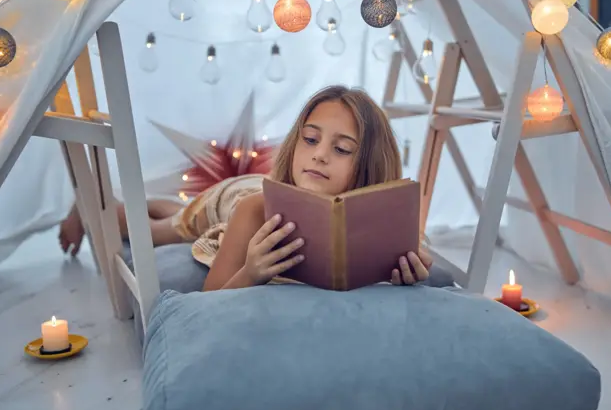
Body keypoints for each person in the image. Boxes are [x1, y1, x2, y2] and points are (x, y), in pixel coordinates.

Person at [57, 85, 432, 291]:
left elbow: (419, 254)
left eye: (342, 149)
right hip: (230, 198)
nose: (318, 156)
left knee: (172, 210)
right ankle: (89, 203)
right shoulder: (255, 209)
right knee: (160, 229)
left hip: (254, 188)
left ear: (369, 163)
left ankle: (163, 203)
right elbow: (212, 297)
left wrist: (415, 269)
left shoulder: (387, 219)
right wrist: (251, 271)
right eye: (310, 139)